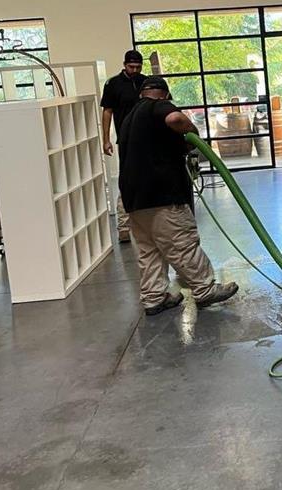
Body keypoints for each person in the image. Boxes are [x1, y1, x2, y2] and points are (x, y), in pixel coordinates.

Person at [118, 76, 238, 316]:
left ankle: (154, 298)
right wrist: (192, 132)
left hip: (133, 198)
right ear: (163, 94)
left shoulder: (130, 117)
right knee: (182, 244)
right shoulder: (157, 106)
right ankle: (204, 290)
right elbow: (175, 118)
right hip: (162, 195)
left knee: (149, 250)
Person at [100, 50, 147, 243]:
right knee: (127, 180)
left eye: (138, 67)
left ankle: (147, 223)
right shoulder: (113, 84)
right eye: (131, 67)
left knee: (149, 177)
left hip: (147, 139)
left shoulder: (146, 82)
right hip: (126, 140)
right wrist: (105, 139)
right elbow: (107, 112)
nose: (134, 70)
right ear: (124, 64)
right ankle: (123, 226)